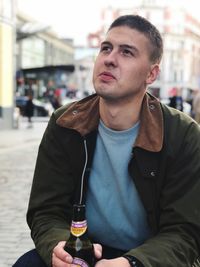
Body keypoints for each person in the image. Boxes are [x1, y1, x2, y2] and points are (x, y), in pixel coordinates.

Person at [13, 15, 200, 267]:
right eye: (106, 48)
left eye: (127, 52)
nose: (110, 59)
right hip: (84, 250)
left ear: (152, 73)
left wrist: (132, 263)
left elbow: (185, 232)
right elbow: (46, 211)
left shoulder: (182, 134)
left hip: (150, 258)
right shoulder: (65, 123)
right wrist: (59, 248)